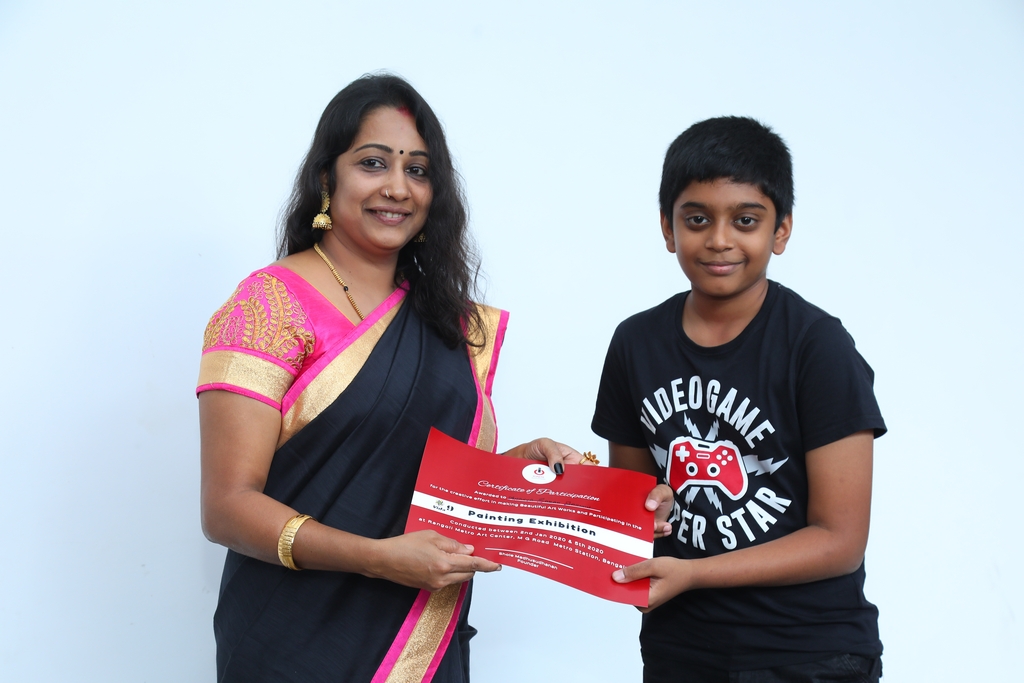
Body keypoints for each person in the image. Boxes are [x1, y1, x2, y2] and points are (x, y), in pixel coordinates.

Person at [197, 74, 581, 683]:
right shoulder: (268, 307)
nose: (398, 188)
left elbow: (439, 493)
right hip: (293, 645)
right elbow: (227, 508)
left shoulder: (449, 322)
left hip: (421, 643)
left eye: (418, 170)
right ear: (327, 178)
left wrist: (520, 470)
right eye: (373, 163)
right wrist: (377, 559)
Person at [592, 117, 886, 682]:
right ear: (667, 227)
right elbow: (632, 510)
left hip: (808, 653)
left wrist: (695, 573)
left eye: (745, 220)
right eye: (697, 219)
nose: (719, 240)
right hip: (682, 650)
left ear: (781, 230)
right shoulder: (635, 343)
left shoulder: (817, 346)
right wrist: (578, 490)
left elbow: (840, 540)